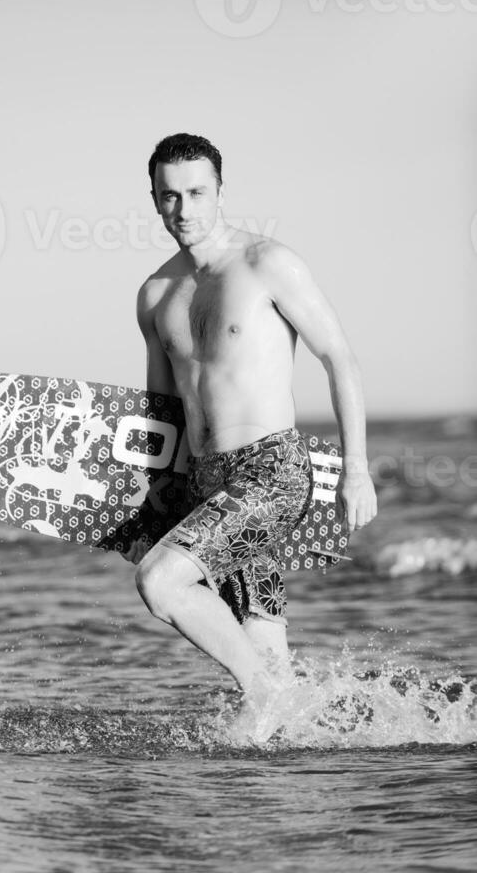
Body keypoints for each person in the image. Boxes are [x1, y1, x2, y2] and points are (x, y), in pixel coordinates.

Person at [124, 132, 377, 707]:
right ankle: (303, 736)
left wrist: (354, 471)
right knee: (265, 643)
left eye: (195, 192)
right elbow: (160, 407)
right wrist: (158, 489)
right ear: (154, 198)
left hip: (271, 471)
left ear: (219, 191)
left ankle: (267, 697)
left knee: (161, 583)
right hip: (204, 481)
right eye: (169, 196)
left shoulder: (268, 263)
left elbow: (340, 358)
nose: (183, 210)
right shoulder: (156, 294)